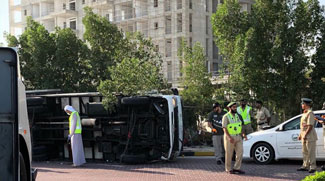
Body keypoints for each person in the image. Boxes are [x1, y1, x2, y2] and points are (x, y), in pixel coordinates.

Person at [222, 102, 247, 174]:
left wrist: (243, 134)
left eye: (235, 107)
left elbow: (240, 126)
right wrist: (229, 137)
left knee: (240, 152)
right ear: (229, 108)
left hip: (238, 136)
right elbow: (224, 128)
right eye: (233, 107)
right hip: (230, 137)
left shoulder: (237, 116)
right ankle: (228, 169)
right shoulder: (226, 116)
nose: (235, 108)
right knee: (229, 153)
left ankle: (237, 168)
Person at [297, 98, 317, 173]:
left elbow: (310, 125)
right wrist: (300, 134)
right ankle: (305, 165)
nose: (302, 105)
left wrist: (305, 134)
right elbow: (303, 126)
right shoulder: (304, 113)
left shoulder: (310, 113)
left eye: (302, 104)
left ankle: (313, 167)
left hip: (310, 136)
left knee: (311, 152)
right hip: (304, 135)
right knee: (304, 152)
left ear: (306, 105)